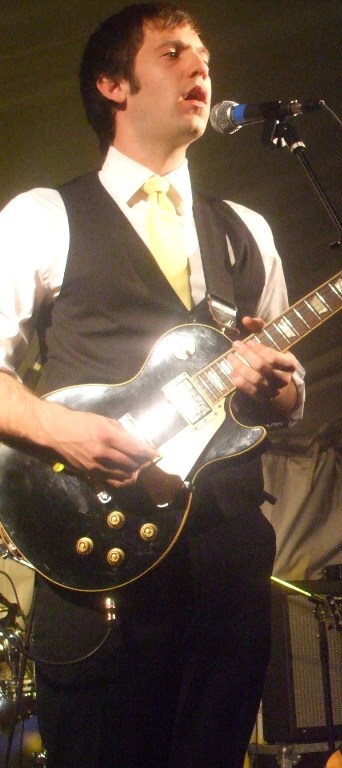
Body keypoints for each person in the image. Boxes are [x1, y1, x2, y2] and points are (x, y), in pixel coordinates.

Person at [0, 4, 303, 767]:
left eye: (205, 57)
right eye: (172, 53)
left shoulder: (246, 231)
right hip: (96, 551)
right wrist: (62, 429)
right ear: (113, 84)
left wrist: (276, 389)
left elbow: (290, 402)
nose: (200, 67)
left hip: (229, 554)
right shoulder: (44, 217)